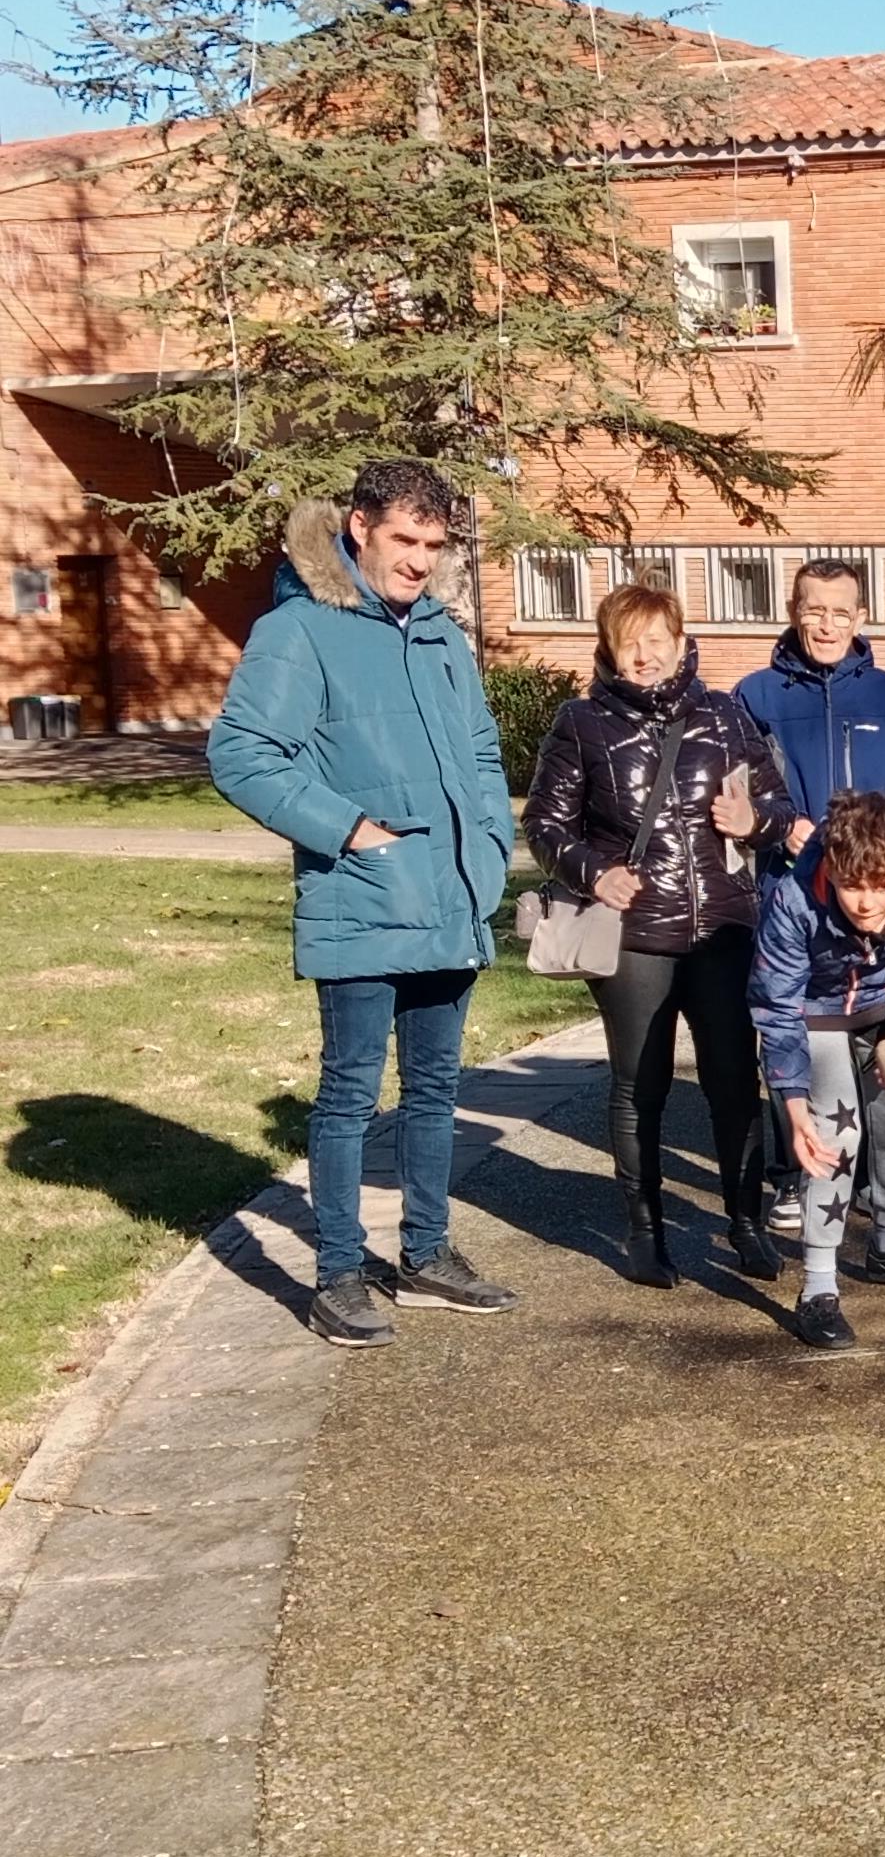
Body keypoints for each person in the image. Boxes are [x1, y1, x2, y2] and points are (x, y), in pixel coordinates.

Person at [208, 460, 517, 1347]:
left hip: (450, 901)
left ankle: (426, 1254)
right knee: (349, 1095)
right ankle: (338, 1273)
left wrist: (490, 848)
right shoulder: (299, 631)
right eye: (403, 540)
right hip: (362, 901)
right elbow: (242, 753)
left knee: (433, 1090)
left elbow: (485, 754)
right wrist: (348, 832)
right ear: (359, 527)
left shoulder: (442, 637)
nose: (418, 561)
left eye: (433, 545)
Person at [524, 583, 794, 1290]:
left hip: (723, 930)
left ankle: (747, 1224)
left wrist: (755, 822)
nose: (645, 655)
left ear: (680, 641)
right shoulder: (580, 723)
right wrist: (594, 871)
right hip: (636, 934)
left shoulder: (727, 714)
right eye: (630, 641)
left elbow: (778, 805)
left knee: (735, 1081)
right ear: (609, 650)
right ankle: (645, 1231)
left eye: (657, 640)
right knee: (638, 1086)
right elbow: (546, 826)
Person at [737, 558, 885, 1239]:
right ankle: (793, 1177)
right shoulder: (754, 695)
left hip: (878, 902)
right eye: (814, 609)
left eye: (840, 612)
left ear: (861, 618)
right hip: (792, 899)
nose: (826, 623)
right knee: (795, 1036)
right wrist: (783, 825)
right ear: (793, 609)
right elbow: (738, 793)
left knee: (877, 1038)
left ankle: (875, 1180)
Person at [747, 792, 885, 1350]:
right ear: (832, 871)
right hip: (815, 1013)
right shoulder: (793, 900)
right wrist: (792, 1107)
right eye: (850, 886)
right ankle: (818, 1286)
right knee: (834, 1134)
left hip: (883, 1011)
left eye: (880, 887)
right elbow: (777, 1008)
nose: (865, 903)